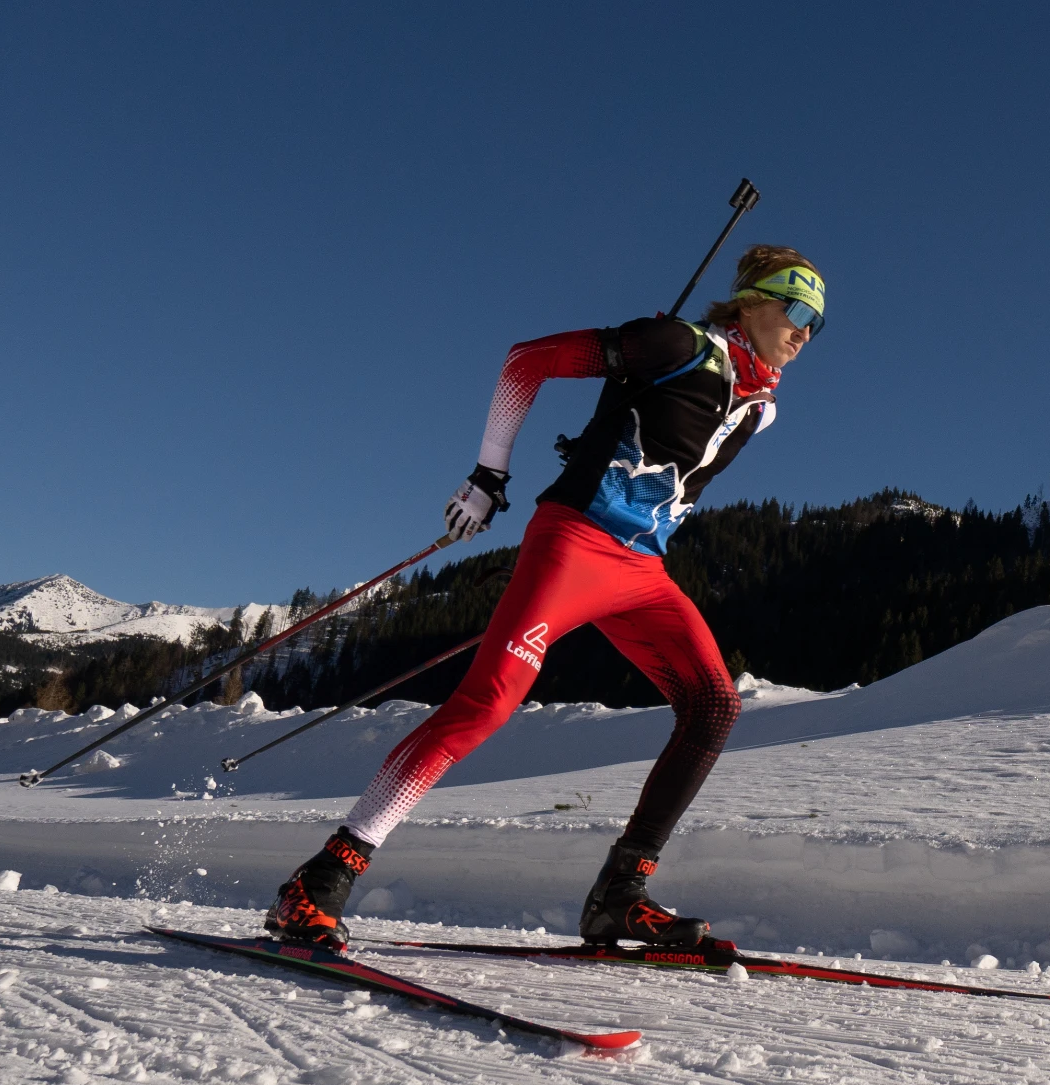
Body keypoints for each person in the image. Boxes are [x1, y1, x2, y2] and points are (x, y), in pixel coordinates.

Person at [264, 244, 825, 949]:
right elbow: (526, 361)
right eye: (796, 308)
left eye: (818, 323)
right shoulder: (676, 343)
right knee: (486, 705)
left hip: (641, 572)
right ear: (750, 301)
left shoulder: (758, 407)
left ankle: (620, 895)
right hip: (575, 544)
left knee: (714, 707)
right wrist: (488, 475)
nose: (805, 330)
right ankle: (319, 880)